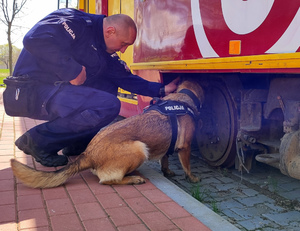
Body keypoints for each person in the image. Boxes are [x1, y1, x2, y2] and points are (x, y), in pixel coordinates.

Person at [7, 8, 178, 167]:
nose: (124, 50)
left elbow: (125, 78)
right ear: (110, 31)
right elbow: (36, 39)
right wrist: (71, 70)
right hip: (31, 91)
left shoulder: (106, 52)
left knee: (108, 87)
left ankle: (76, 143)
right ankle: (37, 141)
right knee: (108, 104)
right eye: (124, 44)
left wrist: (162, 90)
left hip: (54, 91)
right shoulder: (74, 21)